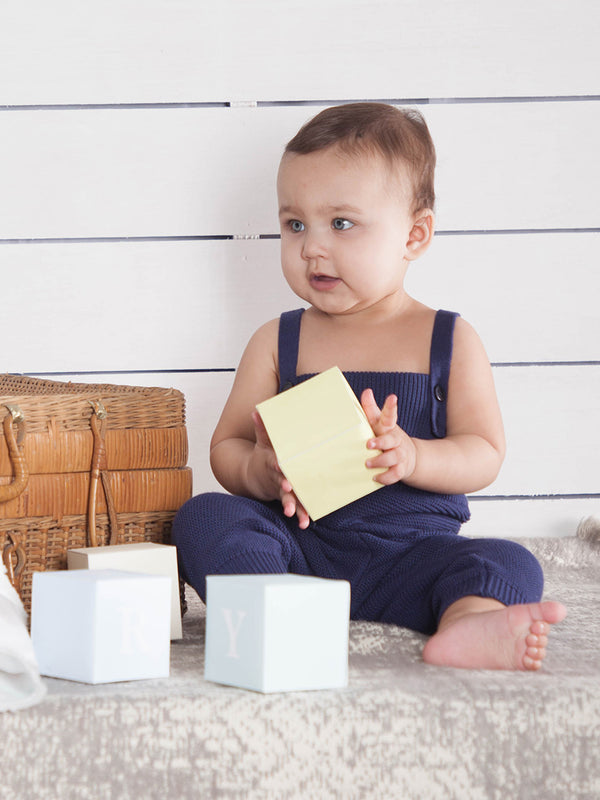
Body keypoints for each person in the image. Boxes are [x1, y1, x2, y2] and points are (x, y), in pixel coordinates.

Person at [173, 102, 566, 670]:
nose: (312, 246)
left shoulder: (448, 339)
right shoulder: (276, 341)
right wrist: (260, 470)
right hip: (298, 551)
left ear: (415, 234)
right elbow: (226, 447)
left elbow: (484, 454)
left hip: (413, 558)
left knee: (508, 561)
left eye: (341, 223)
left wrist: (412, 455)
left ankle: (469, 624)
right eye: (295, 224)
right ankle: (270, 607)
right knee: (205, 516)